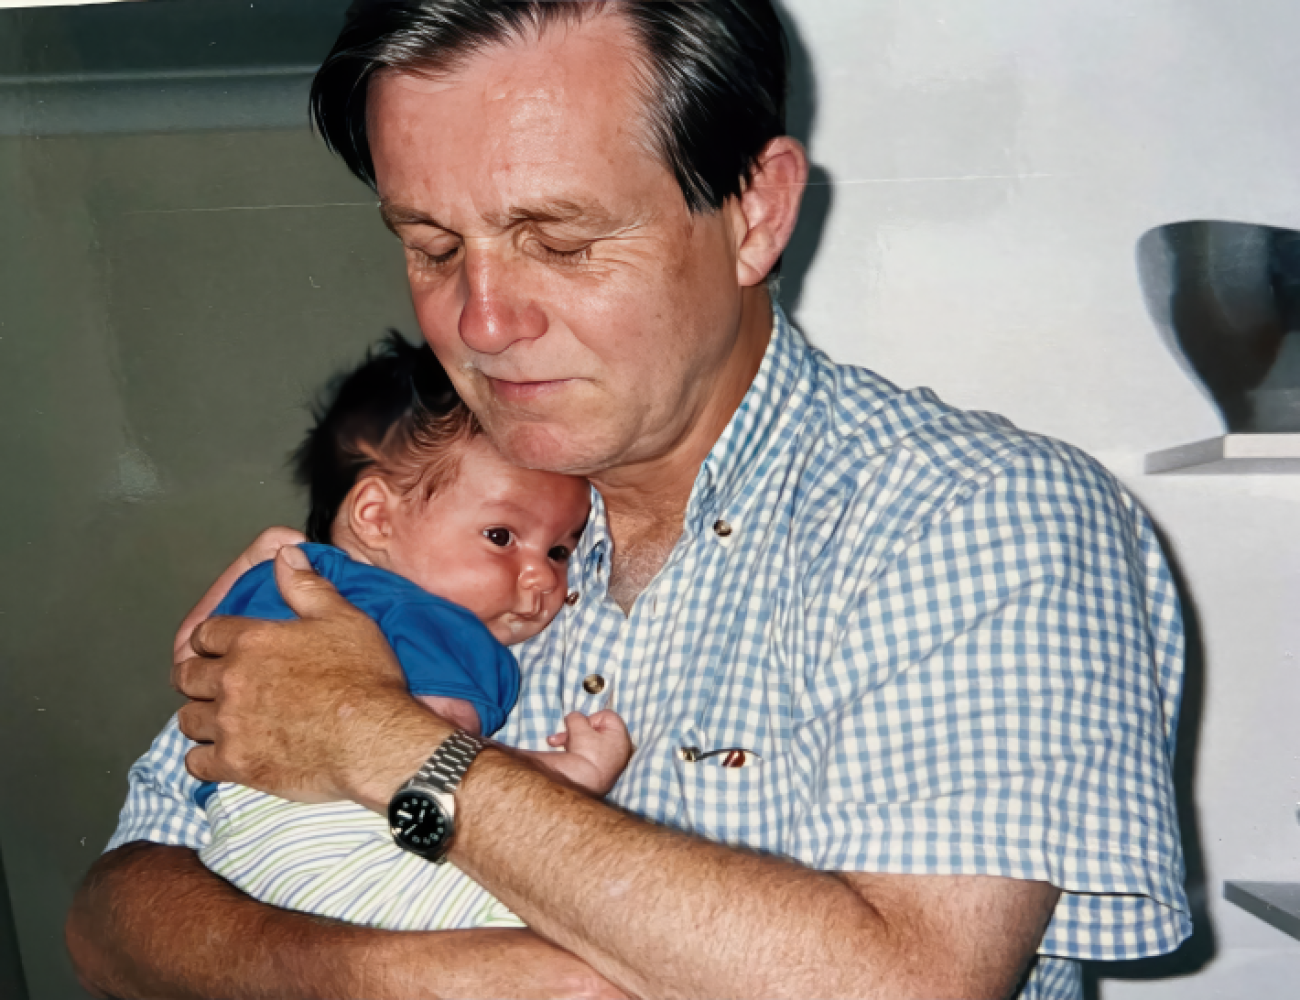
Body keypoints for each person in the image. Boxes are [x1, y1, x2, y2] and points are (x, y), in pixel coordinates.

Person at [66, 3, 1191, 999]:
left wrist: (377, 738)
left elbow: (907, 982)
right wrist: (396, 977)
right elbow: (118, 911)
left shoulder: (977, 516)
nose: (482, 320)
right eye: (431, 245)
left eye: (559, 239)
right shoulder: (423, 508)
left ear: (754, 210)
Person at [161, 333, 627, 931]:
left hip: (244, 848)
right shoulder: (433, 626)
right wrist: (573, 772)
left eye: (561, 550)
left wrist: (258, 558)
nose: (541, 577)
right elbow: (437, 758)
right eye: (502, 537)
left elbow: (190, 662)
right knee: (575, 924)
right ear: (375, 516)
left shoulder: (301, 579)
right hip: (335, 843)